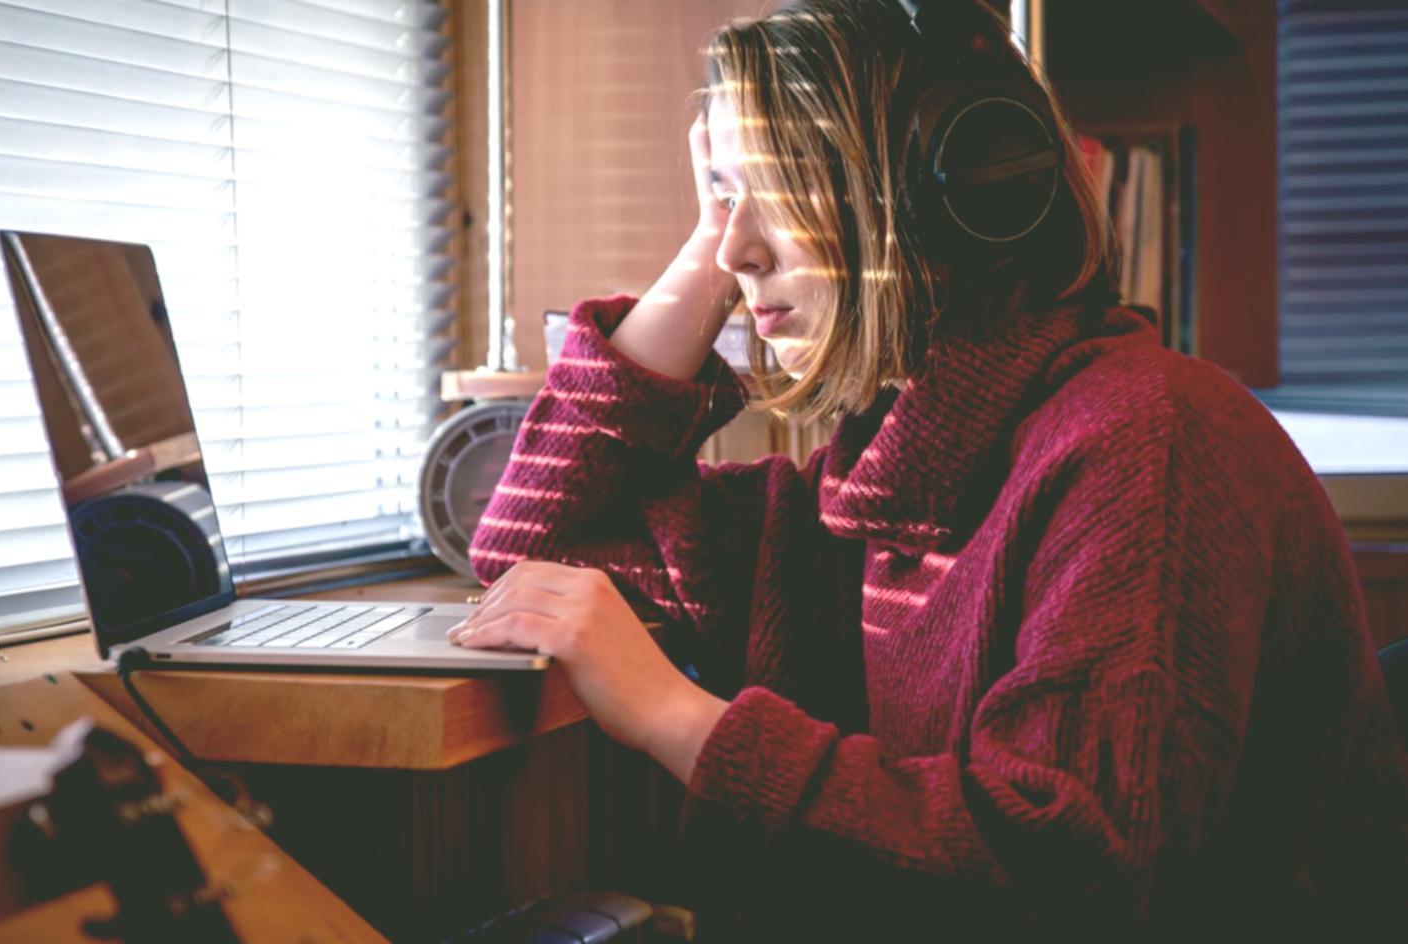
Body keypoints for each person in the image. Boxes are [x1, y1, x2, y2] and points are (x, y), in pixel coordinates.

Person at [450, 0, 1408, 936]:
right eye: (725, 199)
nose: (739, 249)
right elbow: (533, 551)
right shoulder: (891, 477)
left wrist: (671, 715)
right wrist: (711, 242)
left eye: (784, 187)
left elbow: (1069, 874)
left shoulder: (1145, 441)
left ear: (949, 197)